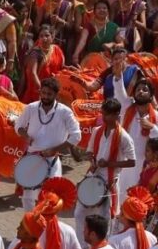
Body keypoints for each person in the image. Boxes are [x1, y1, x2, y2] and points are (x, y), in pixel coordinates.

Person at [15, 78, 82, 211]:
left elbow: (76, 135)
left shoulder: (65, 112)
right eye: (43, 93)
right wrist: (26, 136)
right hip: (32, 158)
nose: (45, 96)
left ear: (56, 95)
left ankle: (47, 227)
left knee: (51, 198)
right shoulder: (31, 108)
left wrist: (54, 149)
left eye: (49, 94)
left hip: (52, 160)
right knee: (28, 197)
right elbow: (18, 126)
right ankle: (31, 225)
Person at [73, 99, 135, 237]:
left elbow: (132, 162)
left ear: (117, 115)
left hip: (110, 180)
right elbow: (90, 152)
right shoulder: (97, 131)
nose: (104, 117)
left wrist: (109, 164)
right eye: (103, 113)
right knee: (79, 213)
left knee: (104, 220)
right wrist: (90, 158)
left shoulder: (124, 137)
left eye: (107, 115)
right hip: (93, 175)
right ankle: (81, 248)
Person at [112, 56, 158, 196]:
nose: (141, 91)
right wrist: (118, 76)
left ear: (151, 96)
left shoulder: (156, 115)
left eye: (145, 89)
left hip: (144, 165)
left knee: (136, 198)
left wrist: (153, 128)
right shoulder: (127, 107)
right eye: (138, 89)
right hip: (124, 160)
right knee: (119, 195)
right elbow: (120, 94)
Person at [22, 25, 65, 103]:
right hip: (37, 92)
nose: (44, 38)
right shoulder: (35, 53)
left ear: (52, 37)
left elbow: (61, 68)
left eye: (47, 35)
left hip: (52, 89)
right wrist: (41, 88)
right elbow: (32, 73)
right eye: (41, 36)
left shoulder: (57, 50)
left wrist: (69, 69)